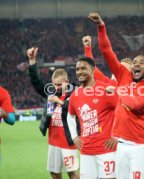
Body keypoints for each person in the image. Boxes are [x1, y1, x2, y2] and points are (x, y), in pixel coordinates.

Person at [88, 13, 144, 179]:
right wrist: (101, 26)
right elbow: (107, 50)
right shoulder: (124, 76)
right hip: (120, 146)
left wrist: (116, 89)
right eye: (135, 62)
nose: (136, 64)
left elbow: (135, 103)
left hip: (140, 147)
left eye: (141, 63)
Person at [27, 47, 79, 179]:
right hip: (53, 141)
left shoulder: (75, 93)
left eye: (59, 84)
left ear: (67, 82)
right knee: (54, 173)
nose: (56, 87)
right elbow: (37, 83)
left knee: (72, 173)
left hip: (68, 141)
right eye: (54, 84)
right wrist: (32, 61)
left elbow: (77, 108)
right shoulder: (51, 93)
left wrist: (61, 102)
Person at [67, 57, 117, 179]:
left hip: (106, 149)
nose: (79, 72)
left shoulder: (105, 90)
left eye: (83, 68)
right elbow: (70, 116)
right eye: (77, 69)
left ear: (92, 69)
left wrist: (116, 136)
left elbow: (122, 112)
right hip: (86, 150)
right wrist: (74, 137)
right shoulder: (75, 95)